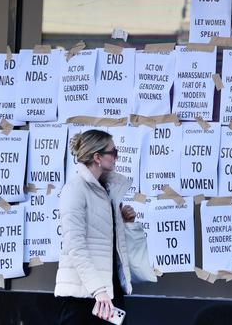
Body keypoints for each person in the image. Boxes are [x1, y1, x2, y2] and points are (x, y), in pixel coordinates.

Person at [55, 129, 136, 324]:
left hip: (109, 289)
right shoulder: (75, 190)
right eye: (113, 152)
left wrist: (122, 222)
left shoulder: (106, 190)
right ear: (97, 157)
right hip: (84, 295)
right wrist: (98, 290)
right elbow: (76, 246)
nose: (117, 157)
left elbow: (103, 240)